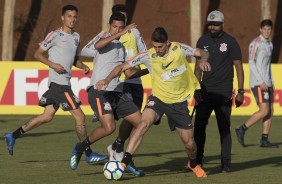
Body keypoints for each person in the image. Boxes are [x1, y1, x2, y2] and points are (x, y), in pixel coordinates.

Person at [96, 27, 211, 178]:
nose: (157, 50)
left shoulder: (178, 48)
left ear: (167, 43)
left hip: (178, 103)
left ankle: (193, 163)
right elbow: (122, 67)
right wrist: (107, 79)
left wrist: (203, 60)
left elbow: (203, 52)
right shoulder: (148, 55)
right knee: (143, 124)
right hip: (157, 99)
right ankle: (124, 162)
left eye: (160, 47)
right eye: (155, 46)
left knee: (190, 144)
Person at [3, 5, 107, 164]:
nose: (72, 19)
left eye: (74, 17)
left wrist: (82, 66)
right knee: (80, 116)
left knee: (47, 116)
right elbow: (37, 54)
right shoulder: (55, 35)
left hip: (64, 83)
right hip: (59, 85)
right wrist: (53, 65)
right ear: (62, 18)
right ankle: (88, 153)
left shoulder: (76, 37)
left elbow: (73, 60)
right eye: (69, 16)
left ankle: (13, 135)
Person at [69, 12, 144, 176]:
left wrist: (149, 71)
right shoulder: (103, 38)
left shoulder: (122, 47)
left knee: (141, 123)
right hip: (99, 91)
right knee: (109, 127)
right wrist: (120, 34)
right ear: (109, 26)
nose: (118, 29)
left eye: (121, 27)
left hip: (117, 93)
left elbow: (129, 73)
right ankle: (80, 147)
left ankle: (124, 157)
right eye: (115, 26)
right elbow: (96, 46)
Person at [193, 10, 244, 173]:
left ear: (222, 24)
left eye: (215, 24)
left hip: (223, 93)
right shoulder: (202, 40)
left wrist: (241, 91)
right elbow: (198, 66)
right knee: (199, 127)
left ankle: (226, 165)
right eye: (210, 24)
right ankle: (197, 162)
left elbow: (239, 67)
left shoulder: (231, 41)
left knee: (224, 129)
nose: (212, 27)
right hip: (205, 92)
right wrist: (196, 87)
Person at [235, 19, 278, 148]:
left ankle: (264, 140)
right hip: (258, 83)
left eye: (269, 29)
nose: (266, 31)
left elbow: (267, 66)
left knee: (270, 110)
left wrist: (272, 82)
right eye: (264, 29)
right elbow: (251, 63)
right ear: (260, 29)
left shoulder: (269, 45)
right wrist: (261, 81)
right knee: (264, 110)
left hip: (267, 82)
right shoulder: (255, 44)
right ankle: (242, 129)